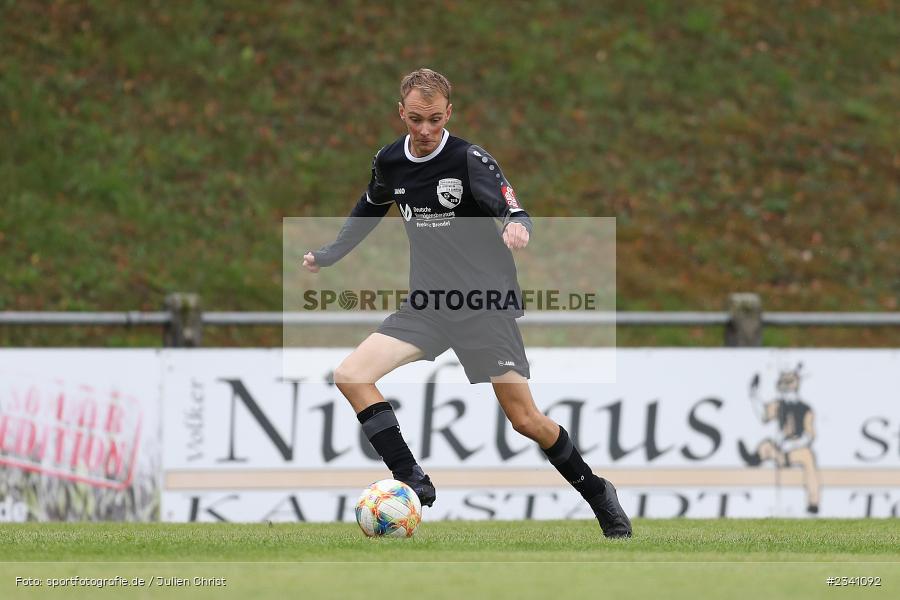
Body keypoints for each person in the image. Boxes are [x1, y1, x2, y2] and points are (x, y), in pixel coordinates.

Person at [302, 68, 631, 538]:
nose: (424, 129)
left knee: (526, 420)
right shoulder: (390, 161)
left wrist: (517, 224)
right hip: (427, 307)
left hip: (483, 307)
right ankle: (409, 477)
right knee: (351, 375)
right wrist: (331, 254)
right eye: (415, 118)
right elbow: (370, 207)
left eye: (434, 119)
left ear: (448, 113)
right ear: (401, 113)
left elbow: (511, 206)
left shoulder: (469, 159)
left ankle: (598, 493)